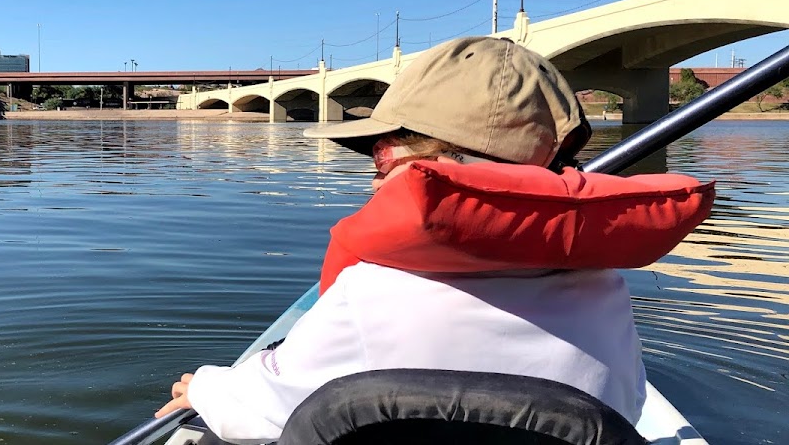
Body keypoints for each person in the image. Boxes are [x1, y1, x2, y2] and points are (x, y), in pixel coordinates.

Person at [154, 37, 657, 444]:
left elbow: (257, 414)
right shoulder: (604, 294)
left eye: (380, 155)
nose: (371, 181)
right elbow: (629, 407)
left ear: (436, 170)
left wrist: (206, 386)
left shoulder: (370, 293)